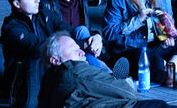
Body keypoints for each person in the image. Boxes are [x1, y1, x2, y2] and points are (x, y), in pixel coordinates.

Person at [37, 33, 168, 108]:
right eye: (73, 49)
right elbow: (129, 93)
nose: (81, 51)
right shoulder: (74, 70)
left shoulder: (48, 82)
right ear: (55, 60)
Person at [0, 0, 64, 108]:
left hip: (49, 69)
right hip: (24, 81)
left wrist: (92, 38)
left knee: (82, 33)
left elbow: (65, 28)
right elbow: (40, 47)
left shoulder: (42, 13)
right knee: (35, 59)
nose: (38, 0)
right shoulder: (12, 27)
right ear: (17, 4)